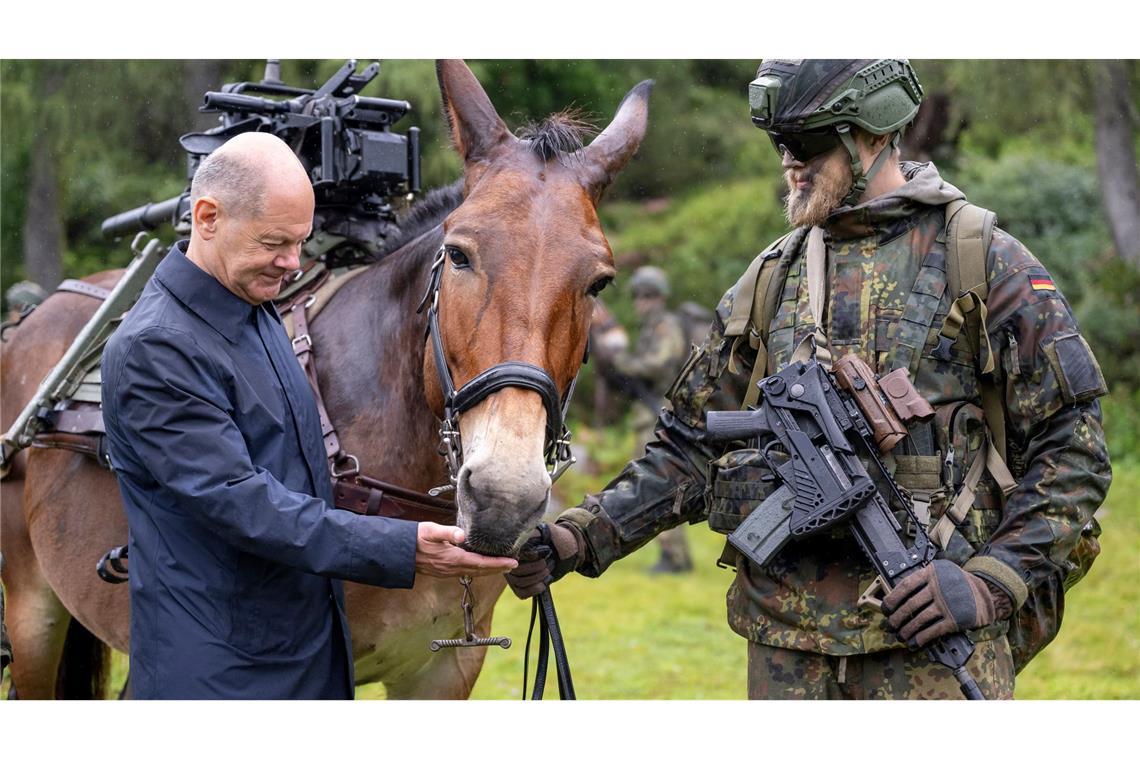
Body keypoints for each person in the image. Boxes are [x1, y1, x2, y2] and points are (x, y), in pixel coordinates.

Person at [506, 59, 1111, 699]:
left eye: (810, 142)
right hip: (784, 650)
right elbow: (688, 447)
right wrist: (580, 535)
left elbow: (1075, 447)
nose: (790, 161)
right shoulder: (770, 278)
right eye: (780, 144)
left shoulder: (982, 261)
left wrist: (992, 580)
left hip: (927, 644)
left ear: (874, 135)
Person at [101, 132, 515, 700]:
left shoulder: (252, 304)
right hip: (220, 677)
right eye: (275, 242)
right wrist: (403, 546)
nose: (292, 263)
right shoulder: (156, 349)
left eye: (299, 242)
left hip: (301, 657)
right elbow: (241, 504)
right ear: (207, 217)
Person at [600, 266, 692, 573]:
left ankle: (673, 557)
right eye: (639, 297)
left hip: (659, 412)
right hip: (650, 414)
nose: (641, 303)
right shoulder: (651, 328)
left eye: (647, 297)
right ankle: (675, 555)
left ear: (659, 298)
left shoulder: (666, 326)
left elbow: (661, 362)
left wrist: (625, 362)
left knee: (655, 484)